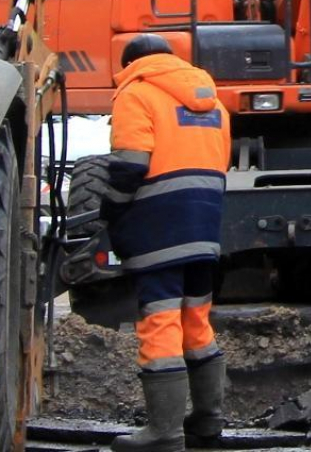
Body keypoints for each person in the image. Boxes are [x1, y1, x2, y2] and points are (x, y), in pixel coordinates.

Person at [99, 34, 231, 452]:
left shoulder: (136, 94)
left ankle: (164, 433)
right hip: (205, 221)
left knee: (159, 320)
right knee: (196, 319)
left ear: (131, 64)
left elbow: (130, 164)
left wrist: (112, 213)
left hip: (159, 224)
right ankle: (207, 422)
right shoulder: (213, 100)